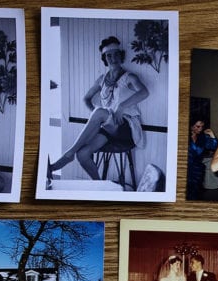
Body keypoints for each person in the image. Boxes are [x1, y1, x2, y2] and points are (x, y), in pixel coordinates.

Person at [48, 36, 149, 183]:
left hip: (125, 127)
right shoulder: (102, 79)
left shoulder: (130, 77)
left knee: (100, 112)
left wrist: (121, 107)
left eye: (116, 54)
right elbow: (86, 98)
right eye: (109, 55)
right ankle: (100, 186)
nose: (113, 58)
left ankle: (68, 154)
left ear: (121, 56)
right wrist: (96, 117)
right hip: (109, 127)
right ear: (104, 58)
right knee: (82, 154)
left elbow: (144, 92)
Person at [186, 118, 218, 200]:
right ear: (191, 126)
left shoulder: (203, 137)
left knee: (195, 193)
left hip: (197, 170)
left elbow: (214, 146)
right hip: (185, 169)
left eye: (202, 127)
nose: (200, 129)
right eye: (197, 126)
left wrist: (212, 135)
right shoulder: (183, 135)